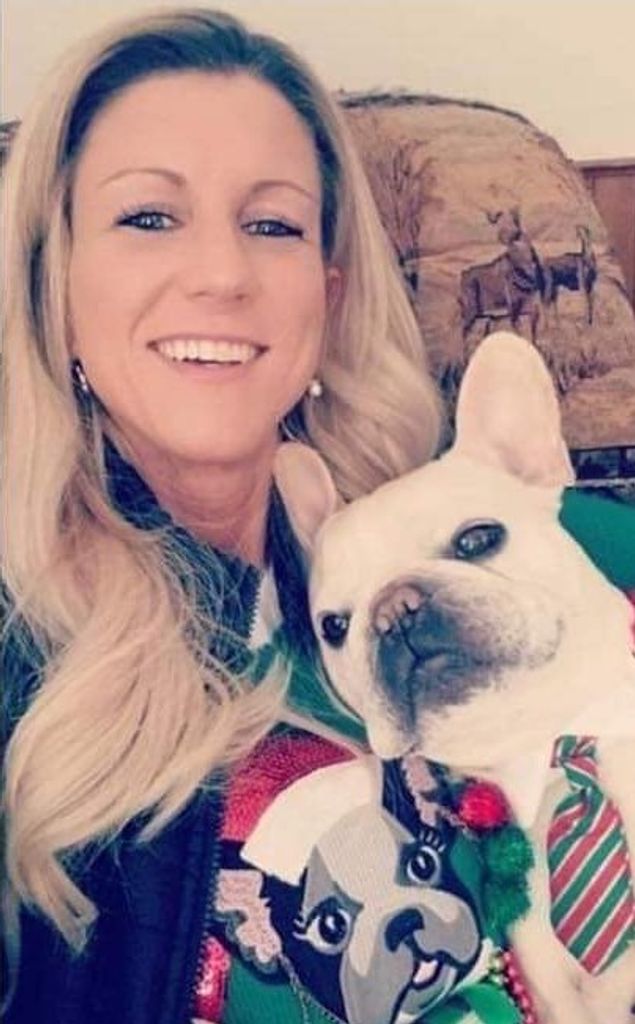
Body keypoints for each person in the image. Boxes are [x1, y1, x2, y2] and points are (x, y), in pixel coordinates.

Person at [2, 8, 634, 1024]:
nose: (221, 274)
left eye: (272, 225)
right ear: (54, 283)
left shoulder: (502, 519)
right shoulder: (25, 652)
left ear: (327, 292)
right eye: (148, 217)